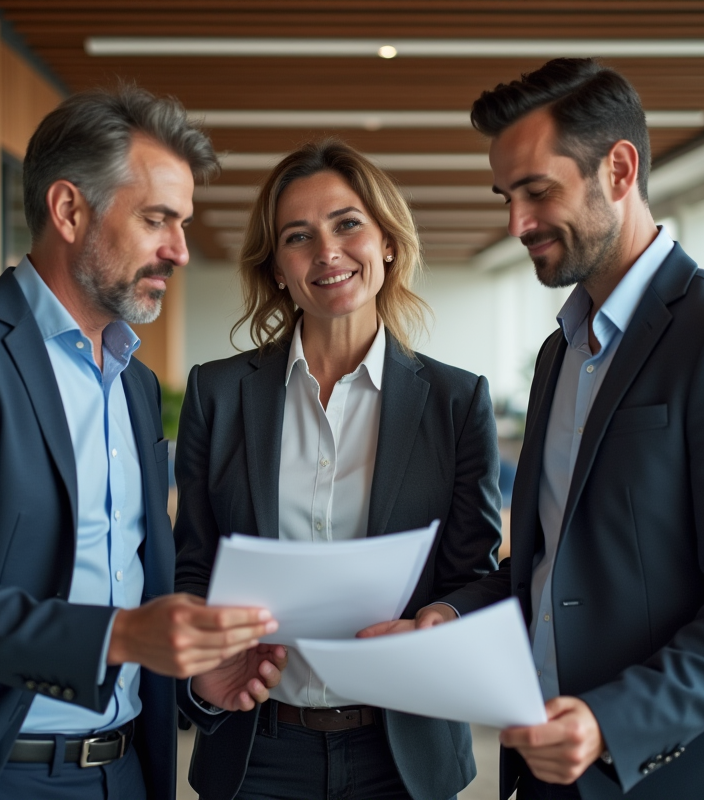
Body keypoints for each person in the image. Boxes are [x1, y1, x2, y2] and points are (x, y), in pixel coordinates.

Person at [360, 59, 704, 800]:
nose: (516, 223)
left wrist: (612, 721)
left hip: (687, 771)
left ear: (619, 168)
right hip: (551, 768)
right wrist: (444, 619)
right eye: (507, 197)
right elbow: (551, 575)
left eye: (538, 191)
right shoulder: (562, 352)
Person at [0, 86, 286, 800]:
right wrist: (120, 637)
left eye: (181, 224)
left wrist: (186, 671)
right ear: (68, 209)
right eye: (157, 220)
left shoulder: (138, 385)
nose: (179, 249)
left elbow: (128, 575)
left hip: (127, 772)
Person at [172, 140, 505, 800]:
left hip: (402, 752)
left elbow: (477, 573)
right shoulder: (217, 395)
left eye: (347, 224)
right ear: (276, 269)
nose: (326, 252)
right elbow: (192, 565)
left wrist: (435, 620)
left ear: (386, 241)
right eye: (299, 237)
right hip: (255, 751)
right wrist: (200, 681)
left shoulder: (456, 401)